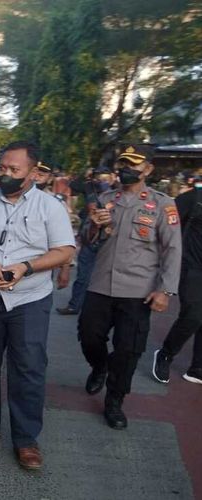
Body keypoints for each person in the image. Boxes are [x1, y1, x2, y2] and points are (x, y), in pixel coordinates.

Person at [0, 141, 75, 471]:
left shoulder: (49, 206)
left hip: (29, 299)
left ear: (33, 173)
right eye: (2, 168)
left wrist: (27, 266)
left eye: (14, 170)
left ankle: (25, 439)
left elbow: (65, 251)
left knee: (28, 367)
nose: (5, 174)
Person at [78, 145, 182, 430]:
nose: (126, 169)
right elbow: (87, 238)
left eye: (133, 164)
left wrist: (166, 290)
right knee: (88, 336)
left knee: (128, 350)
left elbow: (173, 249)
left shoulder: (163, 204)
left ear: (147, 169)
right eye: (123, 163)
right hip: (101, 283)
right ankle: (100, 365)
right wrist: (95, 226)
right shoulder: (105, 198)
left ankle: (114, 400)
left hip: (138, 290)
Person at [152, 177, 202, 385]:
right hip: (192, 266)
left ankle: (198, 366)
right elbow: (165, 229)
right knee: (193, 315)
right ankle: (165, 353)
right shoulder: (193, 198)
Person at [57, 165, 117, 315]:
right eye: (98, 177)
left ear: (112, 178)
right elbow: (74, 185)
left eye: (105, 177)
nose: (102, 181)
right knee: (83, 276)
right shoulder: (90, 187)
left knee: (105, 277)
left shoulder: (119, 190)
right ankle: (74, 306)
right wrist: (86, 176)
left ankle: (97, 310)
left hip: (110, 240)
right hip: (90, 237)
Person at [32, 161, 72, 291]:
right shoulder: (14, 198)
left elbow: (65, 239)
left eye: (41, 175)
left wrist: (65, 268)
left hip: (43, 263)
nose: (37, 178)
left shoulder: (56, 203)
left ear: (49, 178)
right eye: (35, 173)